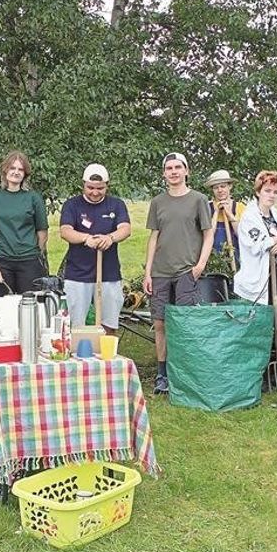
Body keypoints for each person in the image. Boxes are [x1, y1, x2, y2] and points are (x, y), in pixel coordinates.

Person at [143, 152, 213, 395]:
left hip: (186, 271)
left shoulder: (198, 200)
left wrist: (200, 266)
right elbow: (154, 237)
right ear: (164, 173)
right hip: (161, 271)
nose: (173, 172)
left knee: (184, 324)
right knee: (160, 323)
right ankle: (162, 374)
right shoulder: (158, 202)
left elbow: (208, 233)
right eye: (169, 168)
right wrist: (148, 272)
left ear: (186, 171)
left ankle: (183, 374)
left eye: (177, 167)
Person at [233, 170, 277, 390]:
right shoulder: (250, 217)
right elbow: (257, 244)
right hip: (259, 282)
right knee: (262, 329)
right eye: (267, 190)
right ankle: (261, 376)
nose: (271, 195)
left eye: (275, 191)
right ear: (258, 191)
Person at [59, 164, 132, 333]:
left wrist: (110, 238)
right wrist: (86, 239)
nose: (95, 192)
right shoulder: (72, 205)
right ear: (83, 184)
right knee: (75, 325)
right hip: (77, 274)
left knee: (109, 323)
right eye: (90, 188)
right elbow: (65, 231)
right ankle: (77, 355)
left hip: (109, 273)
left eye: (100, 188)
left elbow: (125, 229)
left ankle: (108, 356)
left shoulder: (116, 205)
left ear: (107, 186)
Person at [0, 151, 49, 296]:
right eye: (12, 168)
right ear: (5, 171)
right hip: (1, 261)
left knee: (30, 308)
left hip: (29, 261)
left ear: (25, 174)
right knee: (3, 309)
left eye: (20, 169)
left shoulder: (34, 198)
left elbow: (42, 233)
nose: (16, 172)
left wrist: (33, 252)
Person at [205, 169, 243, 267]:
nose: (220, 190)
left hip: (236, 261)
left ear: (230, 186)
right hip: (212, 262)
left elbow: (243, 235)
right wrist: (216, 212)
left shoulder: (240, 207)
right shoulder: (206, 208)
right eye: (216, 187)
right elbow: (207, 236)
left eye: (223, 186)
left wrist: (230, 214)